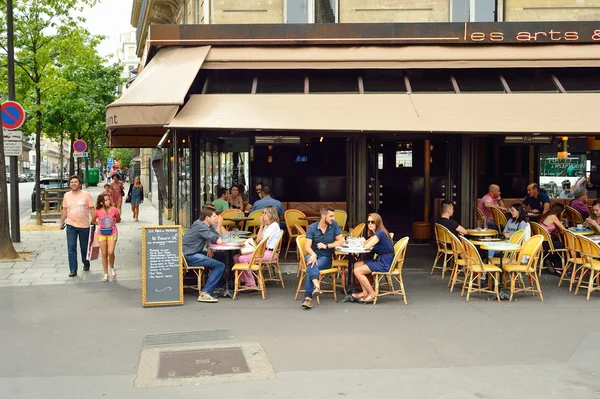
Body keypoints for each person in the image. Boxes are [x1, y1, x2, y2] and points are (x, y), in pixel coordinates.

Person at [302, 206, 345, 309]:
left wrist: (327, 246)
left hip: (326, 256)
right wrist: (313, 254)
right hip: (312, 254)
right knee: (311, 261)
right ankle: (316, 286)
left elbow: (341, 241)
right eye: (331, 216)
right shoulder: (312, 228)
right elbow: (307, 247)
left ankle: (308, 298)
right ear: (323, 216)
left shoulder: (333, 225)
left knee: (311, 266)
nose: (333, 218)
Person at [182, 208, 226, 303]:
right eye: (214, 216)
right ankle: (205, 293)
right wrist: (219, 225)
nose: (216, 218)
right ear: (207, 218)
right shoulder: (200, 226)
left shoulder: (205, 226)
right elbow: (218, 239)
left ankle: (217, 284)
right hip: (190, 255)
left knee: (220, 255)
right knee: (220, 265)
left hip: (194, 252)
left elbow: (216, 236)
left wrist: (217, 228)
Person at [233, 205, 282, 287]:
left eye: (265, 213)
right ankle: (242, 280)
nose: (263, 215)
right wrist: (261, 225)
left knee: (242, 258)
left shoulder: (274, 226)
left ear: (270, 215)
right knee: (236, 257)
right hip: (262, 250)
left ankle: (251, 283)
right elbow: (258, 240)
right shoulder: (267, 226)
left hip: (269, 252)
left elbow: (263, 242)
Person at [352, 213, 395, 303]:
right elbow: (364, 243)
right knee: (357, 264)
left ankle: (372, 293)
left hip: (385, 262)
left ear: (378, 223)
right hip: (381, 260)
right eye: (368, 222)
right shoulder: (376, 233)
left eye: (373, 222)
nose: (370, 224)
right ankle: (364, 292)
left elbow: (366, 246)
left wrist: (364, 243)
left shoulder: (380, 233)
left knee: (357, 271)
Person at [59, 175, 94, 277]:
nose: (73, 184)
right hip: (71, 225)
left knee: (84, 247)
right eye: (71, 182)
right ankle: (73, 269)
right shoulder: (66, 195)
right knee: (71, 248)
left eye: (75, 182)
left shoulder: (86, 194)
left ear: (80, 184)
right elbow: (65, 210)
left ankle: (86, 262)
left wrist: (94, 220)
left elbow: (92, 209)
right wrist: (61, 221)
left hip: (84, 225)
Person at [91, 193, 121, 282]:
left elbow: (118, 220)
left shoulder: (114, 210)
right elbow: (93, 221)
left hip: (112, 232)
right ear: (101, 202)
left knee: (110, 252)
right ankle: (105, 273)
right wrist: (100, 224)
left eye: (109, 200)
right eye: (106, 200)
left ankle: (112, 268)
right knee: (104, 253)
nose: (109, 201)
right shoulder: (97, 211)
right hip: (101, 233)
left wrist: (114, 220)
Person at [539, 203, 567, 275]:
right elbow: (564, 230)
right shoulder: (553, 217)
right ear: (560, 211)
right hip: (546, 243)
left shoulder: (546, 215)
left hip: (541, 242)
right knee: (566, 246)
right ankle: (558, 267)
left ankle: (550, 259)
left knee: (558, 244)